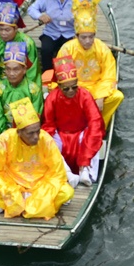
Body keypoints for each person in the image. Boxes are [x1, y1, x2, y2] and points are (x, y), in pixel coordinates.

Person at [0, 99, 76, 221]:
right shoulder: (5, 140)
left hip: (41, 184)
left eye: (37, 131)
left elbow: (57, 173)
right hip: (13, 183)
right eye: (30, 133)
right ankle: (30, 204)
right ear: (19, 132)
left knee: (67, 192)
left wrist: (43, 192)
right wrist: (11, 191)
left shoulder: (45, 139)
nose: (36, 137)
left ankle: (14, 205)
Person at [42, 59, 105, 187]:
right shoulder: (52, 98)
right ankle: (66, 173)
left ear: (77, 82)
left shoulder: (85, 95)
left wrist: (87, 153)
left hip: (81, 133)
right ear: (59, 86)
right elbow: (48, 124)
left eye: (74, 87)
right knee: (46, 142)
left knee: (94, 137)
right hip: (60, 134)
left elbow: (95, 121)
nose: (71, 91)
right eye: (66, 88)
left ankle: (86, 171)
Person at [54, 7, 123, 125]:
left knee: (117, 96)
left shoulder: (102, 48)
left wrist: (100, 96)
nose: (88, 41)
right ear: (76, 36)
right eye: (84, 37)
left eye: (91, 37)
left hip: (96, 87)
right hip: (75, 88)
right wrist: (77, 93)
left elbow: (109, 76)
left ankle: (100, 125)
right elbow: (63, 77)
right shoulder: (67, 49)